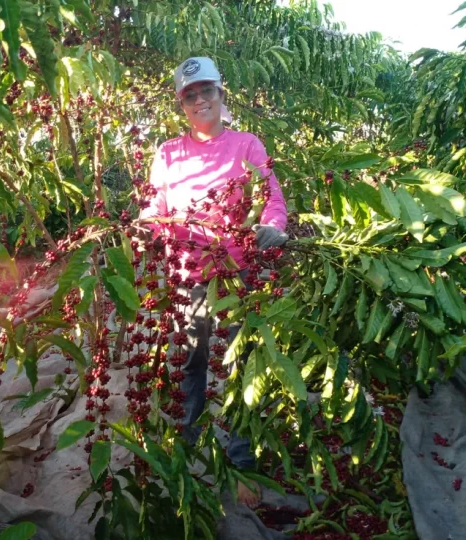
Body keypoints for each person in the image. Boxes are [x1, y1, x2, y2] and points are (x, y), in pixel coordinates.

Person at [139, 57, 288, 507]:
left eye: (207, 91)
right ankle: (189, 452)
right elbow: (155, 206)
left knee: (240, 367)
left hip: (235, 275)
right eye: (190, 95)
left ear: (222, 94)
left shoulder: (246, 144)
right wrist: (145, 227)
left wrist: (273, 226)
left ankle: (241, 463)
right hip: (187, 277)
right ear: (181, 104)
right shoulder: (167, 153)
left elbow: (272, 197)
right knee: (192, 364)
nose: (200, 100)